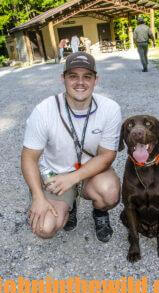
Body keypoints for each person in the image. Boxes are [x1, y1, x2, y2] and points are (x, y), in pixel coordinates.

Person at [21, 51, 122, 243]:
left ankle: (99, 212)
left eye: (87, 76)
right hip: (56, 175)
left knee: (110, 193)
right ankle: (69, 204)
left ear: (95, 80)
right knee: (44, 228)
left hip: (90, 172)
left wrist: (72, 178)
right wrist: (38, 197)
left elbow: (107, 155)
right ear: (63, 79)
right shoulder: (44, 110)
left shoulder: (110, 109)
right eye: (73, 76)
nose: (80, 82)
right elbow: (28, 157)